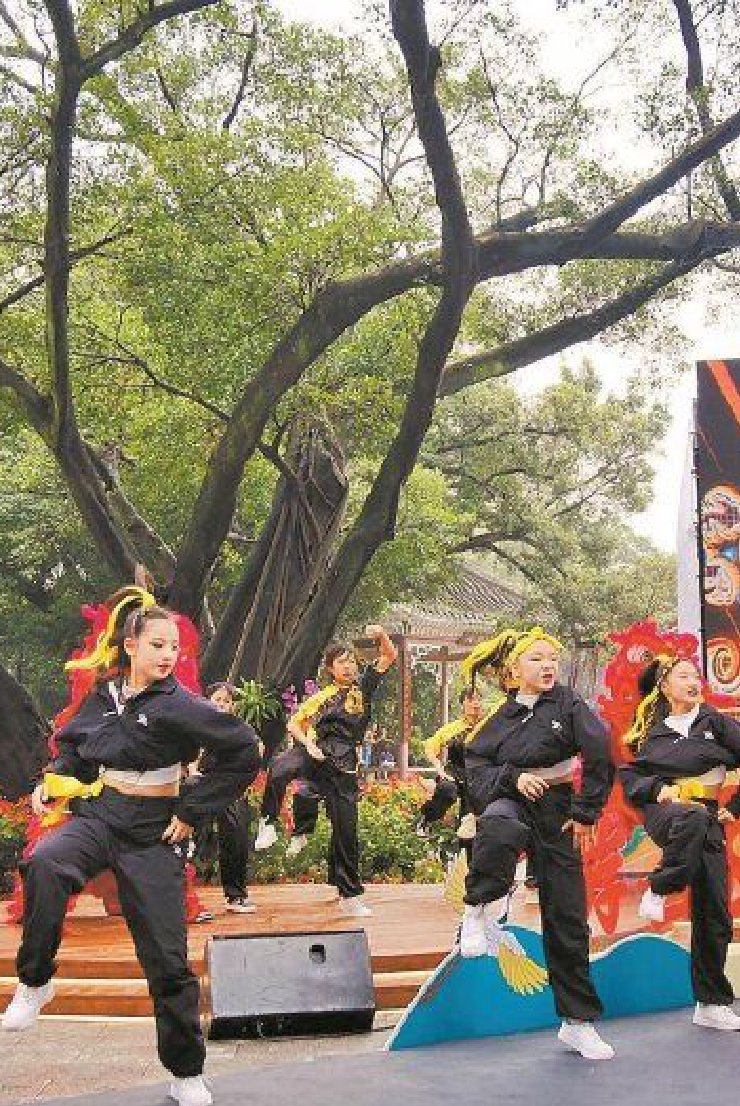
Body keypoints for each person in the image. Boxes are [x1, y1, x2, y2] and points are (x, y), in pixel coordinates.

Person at [1, 604, 260, 1106]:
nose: (168, 655)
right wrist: (52, 784)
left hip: (153, 836)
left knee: (166, 959)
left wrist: (193, 809)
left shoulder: (181, 705)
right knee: (46, 862)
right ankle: (36, 982)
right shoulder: (104, 697)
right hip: (100, 818)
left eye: (174, 648)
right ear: (132, 647)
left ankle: (186, 1073)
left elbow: (244, 750)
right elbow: (74, 751)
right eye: (157, 645)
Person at [459, 627, 615, 1061]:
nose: (547, 666)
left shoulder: (567, 704)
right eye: (536, 659)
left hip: (559, 810)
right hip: (512, 800)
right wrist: (511, 777)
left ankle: (577, 1023)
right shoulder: (498, 718)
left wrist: (585, 812)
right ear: (514, 670)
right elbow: (476, 764)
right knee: (498, 826)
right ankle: (478, 908)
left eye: (552, 659)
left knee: (567, 914)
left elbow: (599, 750)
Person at [619, 654, 740, 1031]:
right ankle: (660, 887)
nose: (692, 682)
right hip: (667, 813)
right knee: (689, 815)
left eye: (695, 676)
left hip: (706, 817)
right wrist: (661, 790)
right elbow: (632, 777)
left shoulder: (716, 723)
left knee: (715, 911)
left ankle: (710, 1002)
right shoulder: (651, 731)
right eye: (683, 676)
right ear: (665, 686)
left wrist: (734, 807)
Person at [255, 625, 397, 916]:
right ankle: (268, 822)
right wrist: (309, 745)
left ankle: (348, 893)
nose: (348, 666)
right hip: (315, 751)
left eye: (351, 661)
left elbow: (389, 655)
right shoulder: (321, 697)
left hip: (343, 762)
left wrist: (381, 636)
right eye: (342, 662)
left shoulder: (364, 686)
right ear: (331, 669)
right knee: (281, 767)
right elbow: (293, 724)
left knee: (345, 829)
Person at [191, 682, 257, 914]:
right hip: (203, 785)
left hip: (230, 788)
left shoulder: (240, 729)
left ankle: (235, 896)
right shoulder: (197, 725)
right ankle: (179, 897)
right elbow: (190, 756)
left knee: (236, 836)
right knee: (183, 838)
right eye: (217, 699)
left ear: (233, 706)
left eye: (226, 700)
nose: (221, 704)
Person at [416, 688, 485, 840]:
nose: (475, 704)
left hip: (478, 775)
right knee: (447, 790)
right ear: (462, 704)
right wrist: (439, 768)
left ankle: (467, 852)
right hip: (454, 771)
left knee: (469, 819)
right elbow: (430, 747)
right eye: (470, 699)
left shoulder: (487, 726)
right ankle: (426, 820)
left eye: (478, 699)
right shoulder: (452, 729)